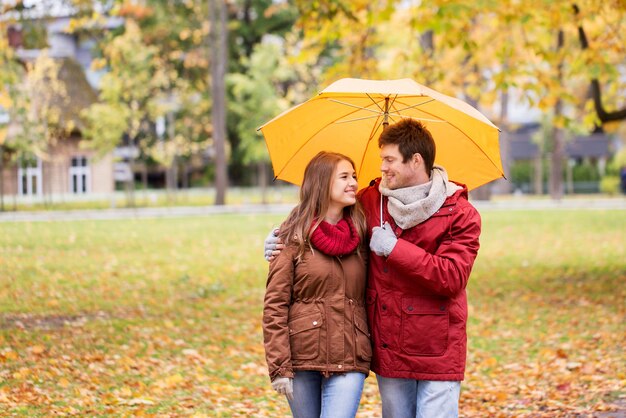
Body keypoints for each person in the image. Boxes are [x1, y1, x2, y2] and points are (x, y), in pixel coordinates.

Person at [265, 119, 481, 418]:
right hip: (391, 342)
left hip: (438, 345)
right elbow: (324, 216)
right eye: (382, 160)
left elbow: (452, 277)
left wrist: (394, 248)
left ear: (415, 160)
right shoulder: (370, 202)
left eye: (390, 160)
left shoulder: (460, 213)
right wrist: (281, 237)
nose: (382, 168)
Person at [262, 151, 371, 418]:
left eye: (354, 176)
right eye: (344, 177)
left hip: (350, 353)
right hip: (302, 356)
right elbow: (275, 305)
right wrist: (279, 367)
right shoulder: (292, 234)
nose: (354, 183)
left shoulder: (362, 232)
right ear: (322, 183)